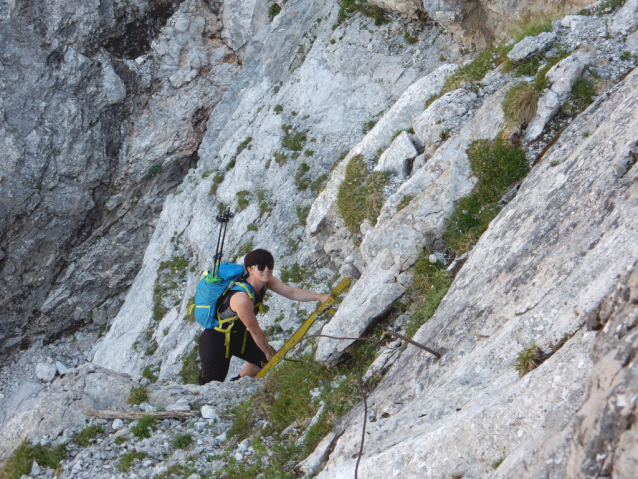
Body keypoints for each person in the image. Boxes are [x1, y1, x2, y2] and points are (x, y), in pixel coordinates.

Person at [198, 248, 330, 384]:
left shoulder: (266, 282)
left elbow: (291, 292)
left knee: (264, 362)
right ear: (250, 270)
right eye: (261, 266)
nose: (266, 269)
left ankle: (237, 384)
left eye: (270, 265)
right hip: (216, 340)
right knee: (211, 384)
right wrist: (268, 352)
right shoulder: (241, 298)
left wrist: (320, 297)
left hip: (238, 336)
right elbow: (255, 330)